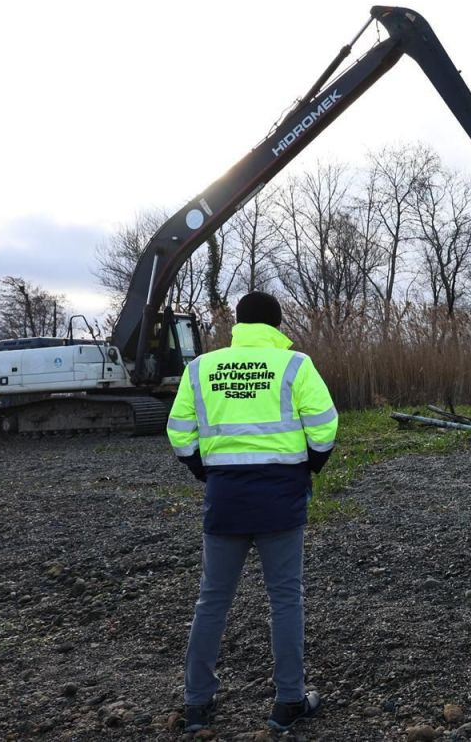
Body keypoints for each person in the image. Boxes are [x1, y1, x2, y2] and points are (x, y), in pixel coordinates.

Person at [166, 292, 338, 733]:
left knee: (212, 601)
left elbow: (179, 432)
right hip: (281, 496)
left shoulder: (201, 367)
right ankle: (288, 702)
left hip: (225, 495)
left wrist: (207, 472)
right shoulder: (295, 365)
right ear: (277, 325)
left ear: (237, 325)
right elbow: (324, 427)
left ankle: (197, 706)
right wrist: (307, 469)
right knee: (285, 599)